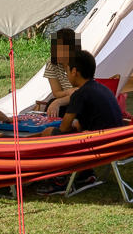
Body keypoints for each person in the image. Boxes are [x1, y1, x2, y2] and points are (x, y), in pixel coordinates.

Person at [35, 49, 124, 195]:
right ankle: (85, 174)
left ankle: (60, 181)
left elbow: (63, 128)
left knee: (49, 133)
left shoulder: (80, 94)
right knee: (77, 130)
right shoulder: (103, 88)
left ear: (74, 71)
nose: (67, 74)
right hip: (116, 140)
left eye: (68, 70)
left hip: (100, 144)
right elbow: (93, 118)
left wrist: (71, 128)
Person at [41, 28, 78, 117]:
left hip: (79, 102)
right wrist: (69, 91)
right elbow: (56, 92)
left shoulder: (81, 63)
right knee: (52, 103)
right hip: (64, 101)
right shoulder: (52, 64)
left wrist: (59, 101)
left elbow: (82, 92)